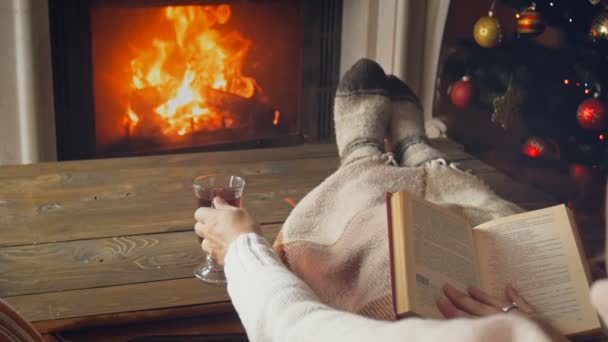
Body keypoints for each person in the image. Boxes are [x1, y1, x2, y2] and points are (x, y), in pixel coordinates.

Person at [194, 59, 573, 341]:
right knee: (494, 219)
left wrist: (240, 247)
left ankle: (363, 157)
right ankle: (423, 156)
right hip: (533, 322)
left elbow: (296, 330)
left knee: (378, 228)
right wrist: (544, 330)